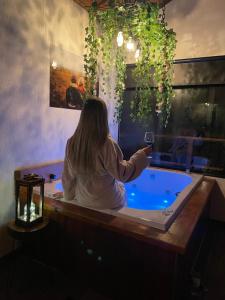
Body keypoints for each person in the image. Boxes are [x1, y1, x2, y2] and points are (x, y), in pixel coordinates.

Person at [62, 96, 151, 210]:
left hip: (83, 200)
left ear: (83, 116)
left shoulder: (72, 143)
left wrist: (68, 198)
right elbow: (122, 174)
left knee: (119, 186)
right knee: (122, 189)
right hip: (107, 203)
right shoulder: (106, 143)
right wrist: (141, 155)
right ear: (103, 117)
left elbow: (67, 178)